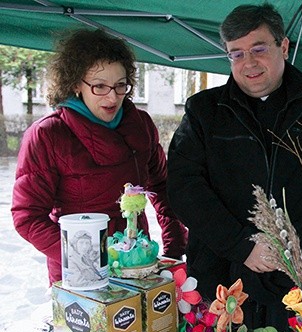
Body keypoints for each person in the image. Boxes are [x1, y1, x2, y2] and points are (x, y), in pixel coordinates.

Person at [167, 3, 302, 332]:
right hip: (216, 277)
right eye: (236, 53)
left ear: (284, 46)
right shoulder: (204, 111)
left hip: (287, 280)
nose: (248, 63)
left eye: (259, 49)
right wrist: (241, 245)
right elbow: (183, 187)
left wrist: (287, 250)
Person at [11, 29, 187, 285]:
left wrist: (173, 247)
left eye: (120, 86)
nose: (112, 97)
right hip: (79, 270)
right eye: (99, 86)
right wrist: (87, 261)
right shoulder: (48, 135)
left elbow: (163, 187)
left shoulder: (140, 124)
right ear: (75, 84)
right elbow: (28, 217)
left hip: (136, 260)